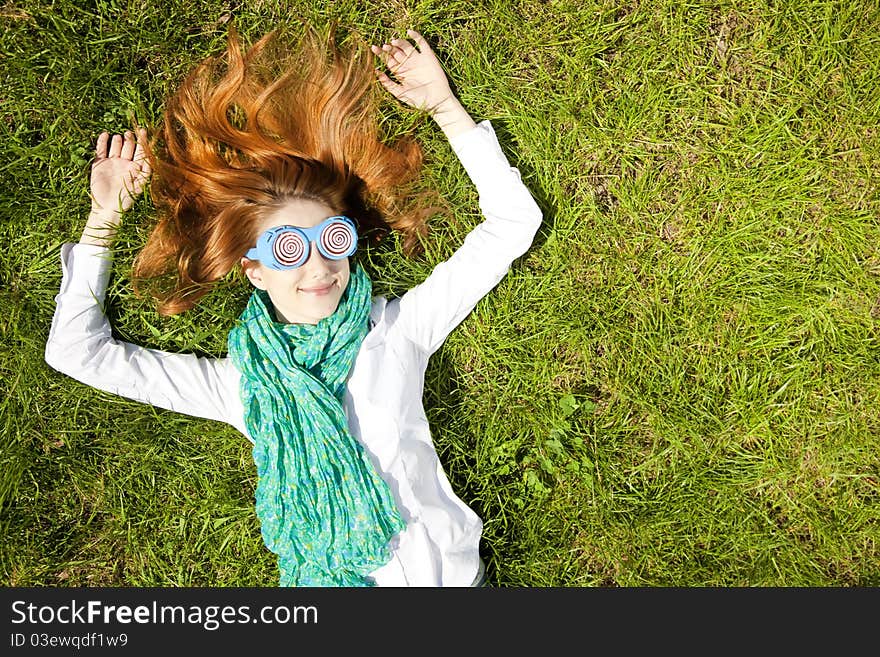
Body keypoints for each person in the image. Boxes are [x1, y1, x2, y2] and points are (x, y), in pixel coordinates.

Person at [45, 24, 542, 587]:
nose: (318, 266)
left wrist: (445, 108)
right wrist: (104, 218)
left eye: (332, 238)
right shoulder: (242, 387)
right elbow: (76, 352)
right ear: (253, 269)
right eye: (288, 250)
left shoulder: (396, 332)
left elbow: (512, 224)